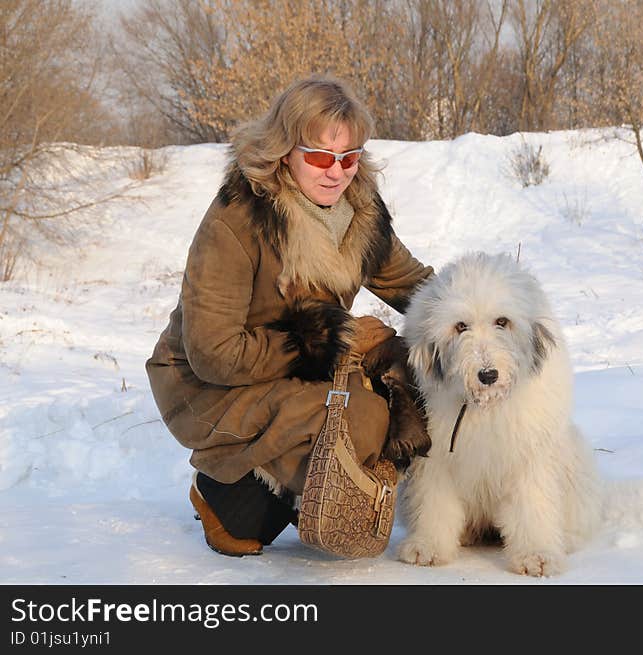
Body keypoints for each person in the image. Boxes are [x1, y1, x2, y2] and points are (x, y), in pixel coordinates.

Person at [145, 75, 433, 557]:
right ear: (283, 151)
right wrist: (329, 341)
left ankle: (303, 485)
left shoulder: (357, 211)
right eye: (320, 156)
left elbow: (413, 285)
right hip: (207, 385)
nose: (336, 172)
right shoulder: (237, 219)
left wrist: (479, 314)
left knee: (417, 370)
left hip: (297, 365)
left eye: (349, 157)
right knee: (361, 414)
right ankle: (225, 490)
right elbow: (213, 353)